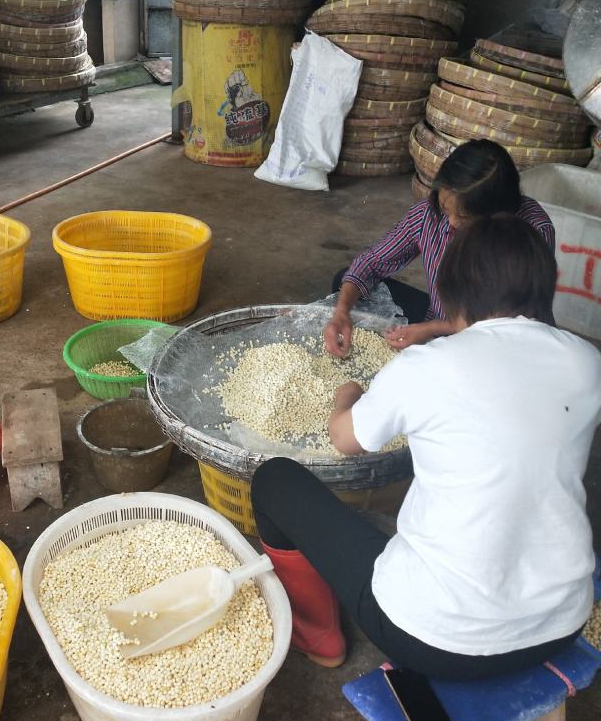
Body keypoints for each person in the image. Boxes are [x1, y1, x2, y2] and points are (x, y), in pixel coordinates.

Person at [255, 215, 600, 680]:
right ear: (544, 285)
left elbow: (344, 438)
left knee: (274, 480)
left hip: (433, 637)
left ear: (450, 291)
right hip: (559, 622)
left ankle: (319, 637)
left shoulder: (426, 366)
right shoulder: (587, 361)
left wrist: (348, 394)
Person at [324, 139, 555, 358]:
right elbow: (371, 263)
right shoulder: (429, 214)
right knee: (346, 282)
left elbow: (509, 324)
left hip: (497, 345)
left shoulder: (530, 233)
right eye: (445, 209)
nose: (452, 222)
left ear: (496, 214)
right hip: (442, 317)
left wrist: (429, 329)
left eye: (464, 217)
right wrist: (342, 312)